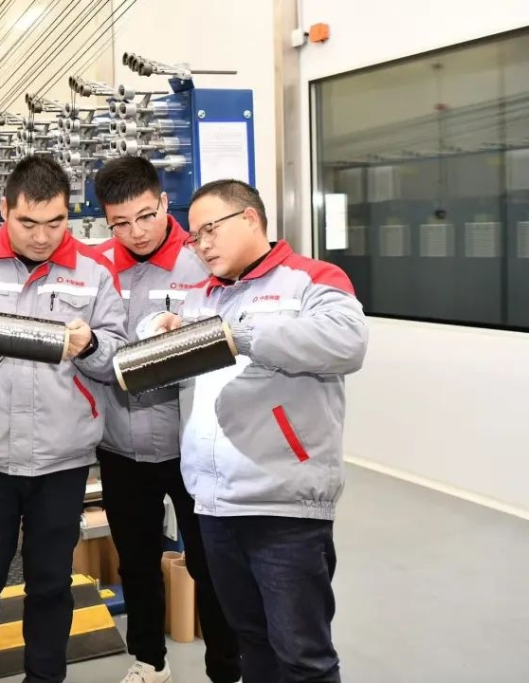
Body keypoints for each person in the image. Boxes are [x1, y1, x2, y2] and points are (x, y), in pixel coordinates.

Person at [149, 179, 368, 683]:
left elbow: (347, 342)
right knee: (252, 643)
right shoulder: (202, 296)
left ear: (250, 218)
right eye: (194, 237)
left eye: (210, 230)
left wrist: (241, 335)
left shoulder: (311, 278)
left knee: (303, 656)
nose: (202, 245)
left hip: (283, 505)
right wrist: (159, 335)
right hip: (215, 503)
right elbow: (176, 372)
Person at [0, 155, 127, 683]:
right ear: (4, 210)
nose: (42, 237)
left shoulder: (94, 272)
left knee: (51, 585)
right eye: (28, 223)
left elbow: (118, 357)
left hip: (61, 461)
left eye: (55, 223)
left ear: (69, 213)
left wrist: (92, 345)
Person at [91, 157, 241, 683]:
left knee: (210, 560)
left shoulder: (202, 262)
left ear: (163, 201)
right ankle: (150, 661)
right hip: (120, 444)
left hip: (192, 447)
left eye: (145, 216)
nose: (135, 232)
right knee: (136, 560)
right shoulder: (97, 268)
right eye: (120, 223)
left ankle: (226, 667)